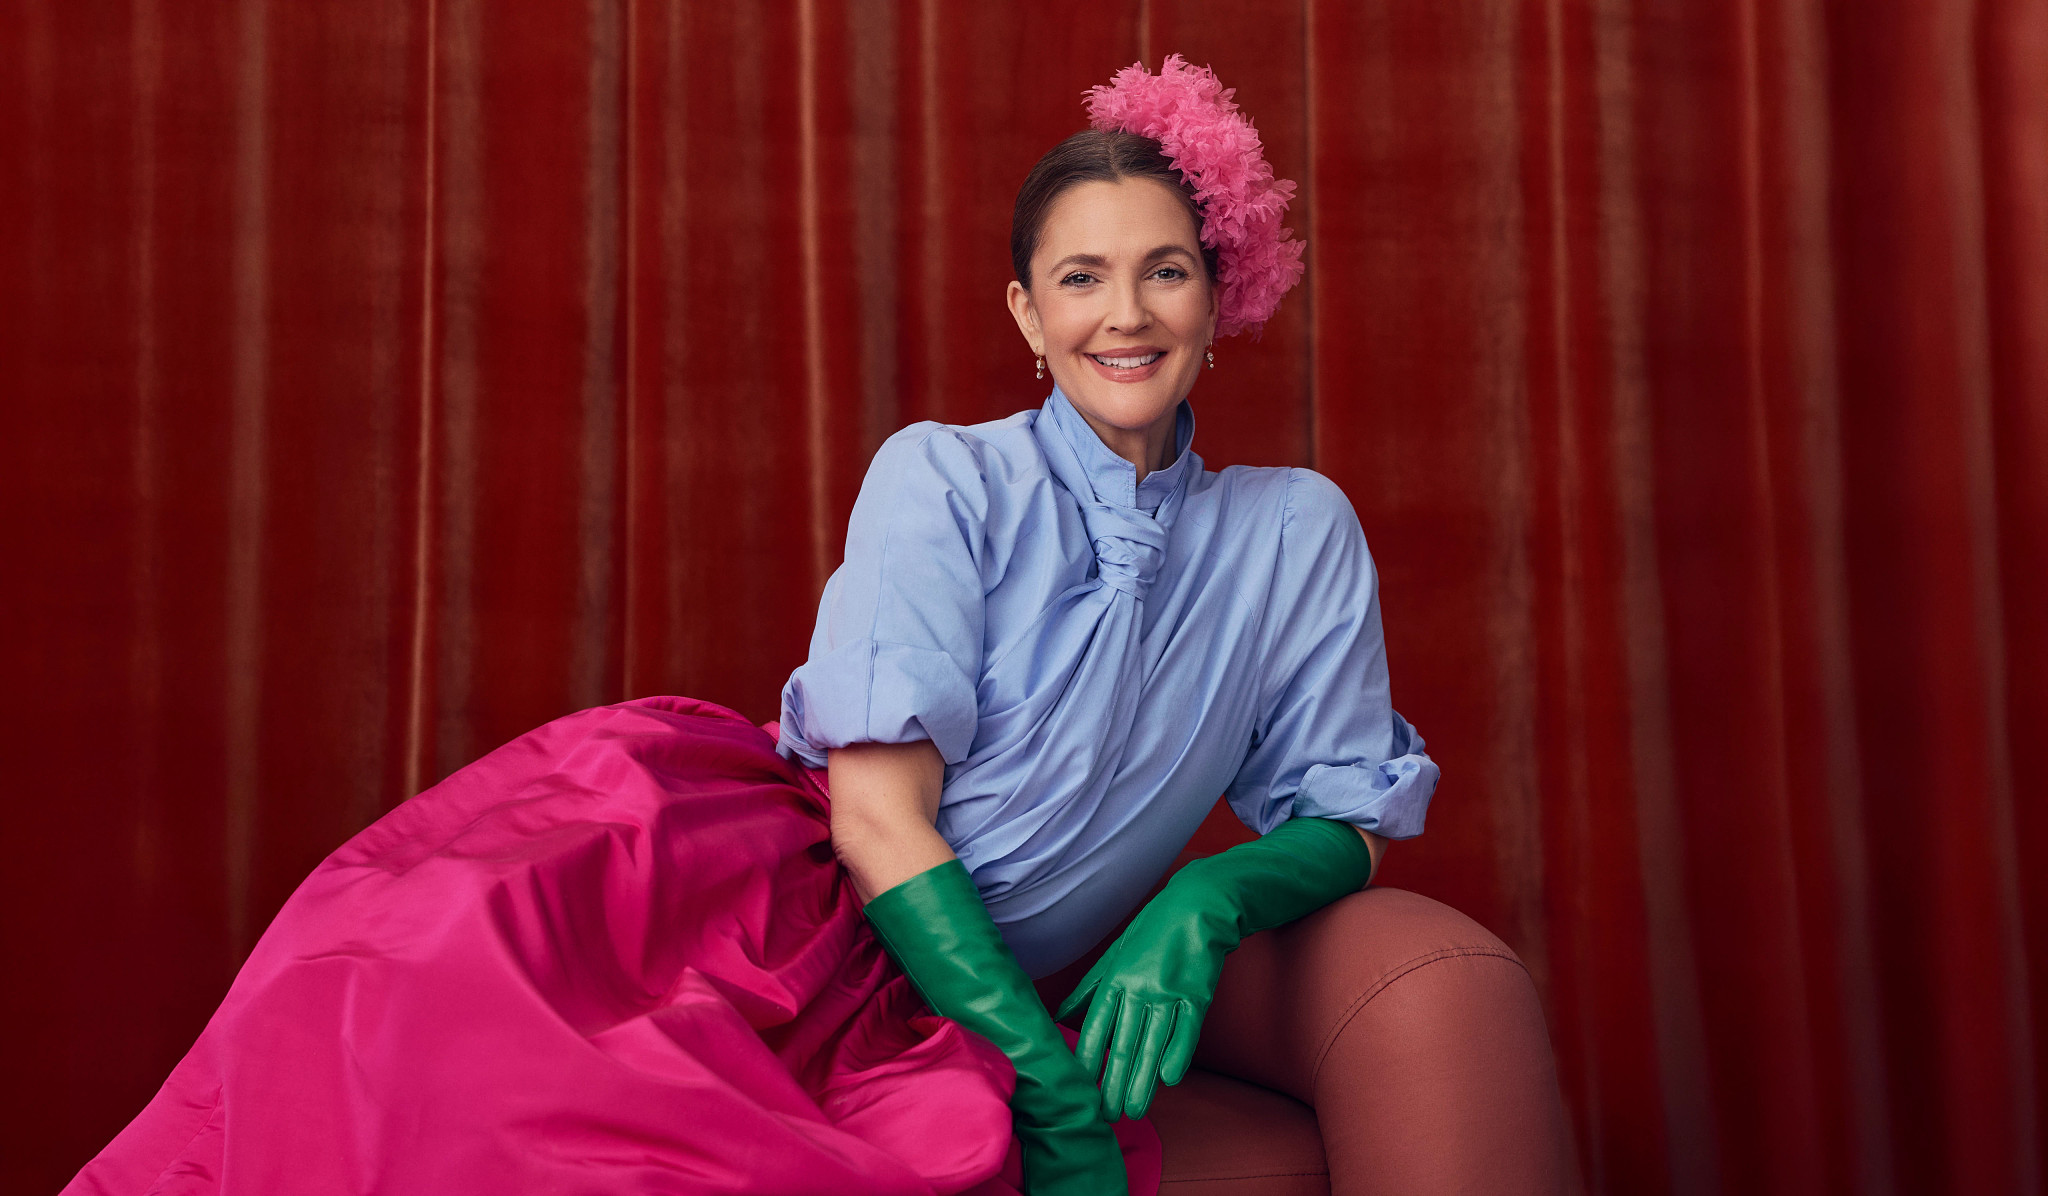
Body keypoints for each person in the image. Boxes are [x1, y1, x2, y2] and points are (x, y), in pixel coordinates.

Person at [67, 57, 1562, 1196]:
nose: (1126, 314)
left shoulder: (1296, 530)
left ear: (1218, 294)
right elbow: (875, 814)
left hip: (941, 990)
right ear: (1027, 315)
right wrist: (1048, 1090)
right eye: (1081, 278)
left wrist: (1205, 903)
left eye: (1164, 270)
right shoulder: (943, 476)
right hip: (784, 908)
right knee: (415, 1009)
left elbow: (1347, 808)